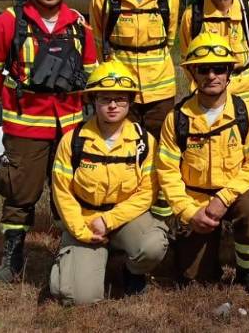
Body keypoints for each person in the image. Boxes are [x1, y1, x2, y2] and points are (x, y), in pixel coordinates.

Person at [0, 0, 97, 282]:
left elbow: (92, 73)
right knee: (19, 194)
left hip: (70, 126)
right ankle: (12, 257)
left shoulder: (79, 27)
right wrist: (10, 96)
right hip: (26, 127)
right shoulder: (9, 23)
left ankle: (69, 252)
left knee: (70, 192)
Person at [156, 33, 249, 301]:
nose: (212, 75)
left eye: (219, 68)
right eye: (203, 69)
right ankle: (199, 246)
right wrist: (189, 213)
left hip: (235, 196)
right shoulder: (176, 119)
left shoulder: (247, 113)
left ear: (229, 72)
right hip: (195, 201)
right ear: (192, 73)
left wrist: (223, 198)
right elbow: (167, 172)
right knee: (193, 277)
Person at [49, 61, 169, 305]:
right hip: (85, 221)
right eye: (105, 99)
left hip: (125, 218)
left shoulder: (144, 142)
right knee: (78, 299)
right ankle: (87, 259)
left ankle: (131, 270)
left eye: (120, 99)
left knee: (154, 245)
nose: (113, 105)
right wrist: (81, 231)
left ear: (130, 101)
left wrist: (109, 221)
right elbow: (62, 192)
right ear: (94, 100)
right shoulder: (73, 141)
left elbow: (147, 193)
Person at [89, 0, 180, 139]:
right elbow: (99, 43)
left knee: (161, 149)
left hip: (160, 92)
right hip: (120, 91)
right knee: (123, 150)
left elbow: (168, 41)